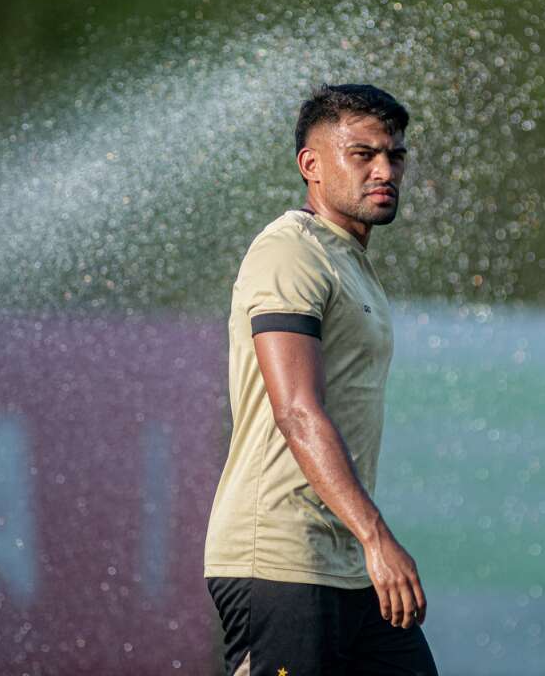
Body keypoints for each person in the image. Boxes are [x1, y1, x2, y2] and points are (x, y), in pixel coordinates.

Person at [203, 83, 438, 676]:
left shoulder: (349, 259)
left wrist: (364, 544)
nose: (385, 169)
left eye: (395, 155)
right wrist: (378, 537)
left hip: (347, 563)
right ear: (311, 165)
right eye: (363, 154)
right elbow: (297, 410)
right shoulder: (290, 252)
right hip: (280, 558)